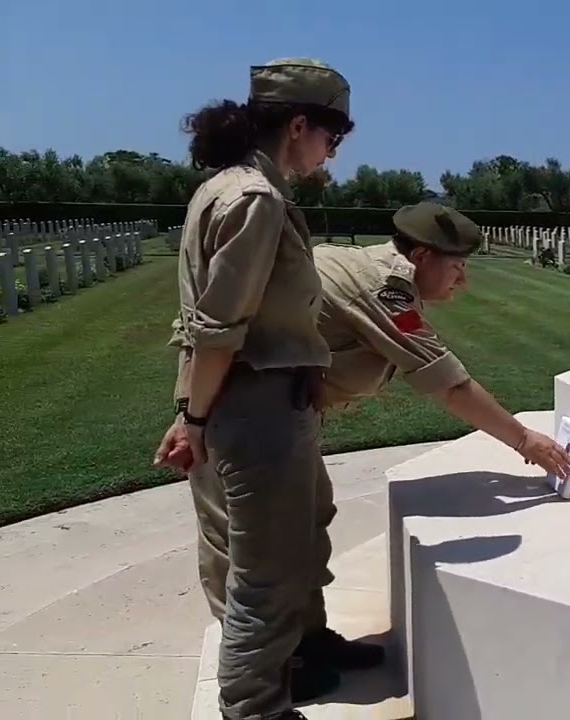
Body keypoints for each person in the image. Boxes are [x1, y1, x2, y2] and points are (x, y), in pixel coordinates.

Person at [155, 203, 570, 706]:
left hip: (282, 413)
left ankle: (308, 644)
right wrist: (525, 440)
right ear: (419, 255)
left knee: (307, 525)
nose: (463, 279)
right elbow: (449, 384)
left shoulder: (376, 270)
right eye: (456, 266)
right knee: (250, 555)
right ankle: (265, 679)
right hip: (239, 416)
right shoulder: (383, 287)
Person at [170, 57, 355, 720]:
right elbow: (218, 329)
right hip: (256, 411)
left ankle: (295, 662)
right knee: (265, 576)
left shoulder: (226, 188)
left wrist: (189, 409)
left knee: (268, 551)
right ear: (298, 125)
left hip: (244, 402)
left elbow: (197, 325)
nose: (331, 155)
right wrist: (192, 419)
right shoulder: (255, 199)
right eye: (333, 139)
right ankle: (254, 709)